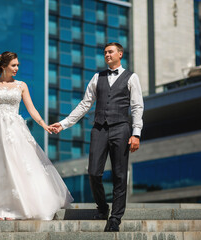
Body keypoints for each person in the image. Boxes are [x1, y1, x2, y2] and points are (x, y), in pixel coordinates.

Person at [0, 51, 73, 220]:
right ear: (3, 66)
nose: (16, 68)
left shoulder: (21, 85)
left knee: (16, 166)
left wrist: (44, 124)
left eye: (17, 65)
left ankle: (14, 209)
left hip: (14, 130)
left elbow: (31, 109)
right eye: (13, 65)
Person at [50, 43, 144, 231]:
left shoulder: (131, 77)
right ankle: (103, 208)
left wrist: (136, 133)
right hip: (99, 129)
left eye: (110, 52)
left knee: (119, 175)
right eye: (105, 53)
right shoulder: (97, 77)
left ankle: (115, 218)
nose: (107, 55)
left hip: (121, 129)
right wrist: (64, 123)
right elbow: (85, 104)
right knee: (93, 172)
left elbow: (137, 107)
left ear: (120, 54)